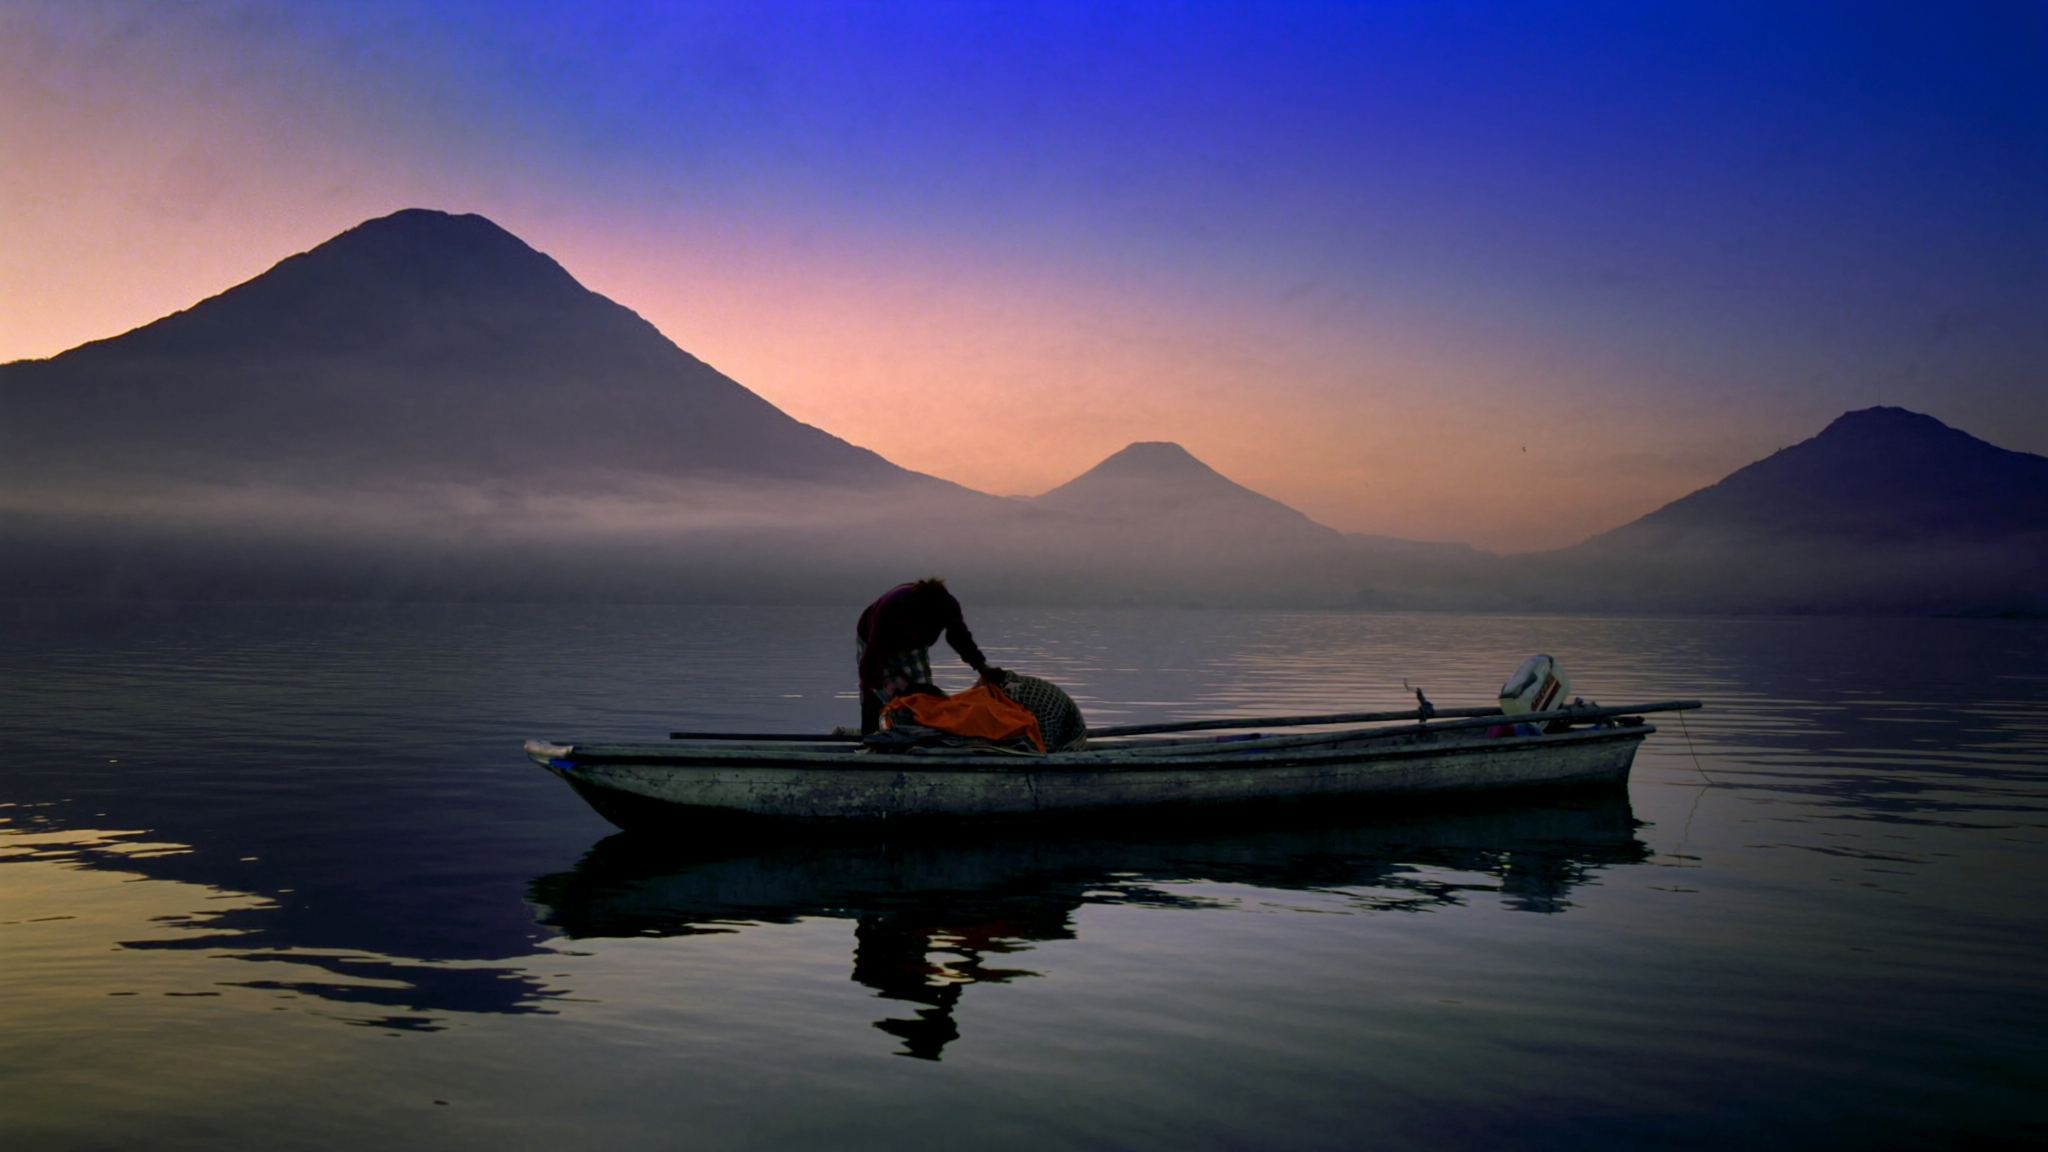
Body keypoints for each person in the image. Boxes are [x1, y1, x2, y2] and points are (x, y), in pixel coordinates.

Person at [856, 578, 1005, 734]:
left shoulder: (948, 606)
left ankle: (919, 735)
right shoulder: (892, 608)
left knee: (924, 698)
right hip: (876, 640)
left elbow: (959, 637)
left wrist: (982, 667)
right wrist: (870, 721)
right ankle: (874, 732)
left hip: (914, 646)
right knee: (880, 694)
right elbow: (871, 666)